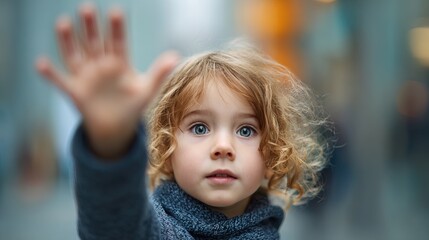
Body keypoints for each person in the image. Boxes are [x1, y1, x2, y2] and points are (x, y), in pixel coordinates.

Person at [35, 4, 330, 240]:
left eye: (245, 130)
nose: (223, 147)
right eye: (200, 128)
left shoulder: (267, 232)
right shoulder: (155, 229)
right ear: (166, 147)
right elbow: (113, 224)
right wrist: (110, 143)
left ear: (272, 151)